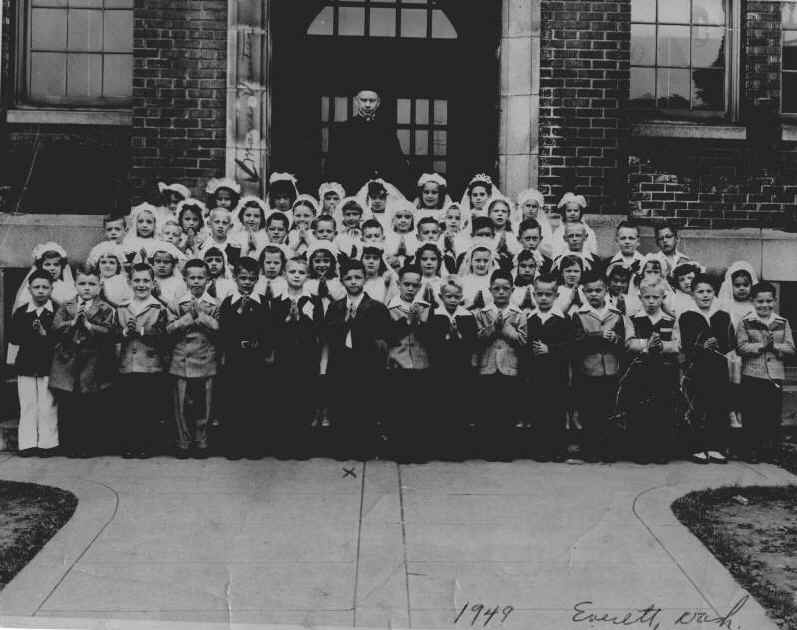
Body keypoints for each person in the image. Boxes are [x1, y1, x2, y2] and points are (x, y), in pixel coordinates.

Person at [323, 259, 391, 460]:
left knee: (365, 404)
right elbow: (328, 335)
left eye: (357, 278)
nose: (353, 282)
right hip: (342, 362)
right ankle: (343, 447)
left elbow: (384, 336)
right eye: (348, 278)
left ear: (365, 279)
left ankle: (364, 447)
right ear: (342, 281)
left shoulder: (376, 307)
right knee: (342, 404)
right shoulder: (336, 307)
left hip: (366, 363)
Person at [49, 264, 117, 458]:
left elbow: (110, 332)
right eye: (82, 283)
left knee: (90, 406)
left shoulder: (105, 308)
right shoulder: (66, 306)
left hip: (92, 361)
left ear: (99, 285)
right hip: (67, 361)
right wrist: (71, 324)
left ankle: (89, 445)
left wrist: (89, 325)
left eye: (92, 284)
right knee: (69, 405)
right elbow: (55, 328)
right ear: (76, 285)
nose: (87, 288)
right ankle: (70, 444)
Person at [571, 270, 630, 463]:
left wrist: (616, 339)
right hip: (588, 371)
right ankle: (590, 450)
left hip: (611, 370)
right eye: (589, 291)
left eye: (598, 290)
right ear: (583, 292)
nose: (594, 294)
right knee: (589, 412)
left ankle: (608, 450)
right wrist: (597, 336)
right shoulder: (579, 315)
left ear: (605, 290)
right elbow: (575, 342)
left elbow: (624, 344)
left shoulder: (616, 314)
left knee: (608, 411)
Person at [217, 257, 271, 460]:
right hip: (234, 357)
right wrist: (239, 311)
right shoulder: (229, 303)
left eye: (251, 279)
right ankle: (234, 445)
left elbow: (268, 330)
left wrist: (266, 352)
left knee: (255, 401)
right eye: (243, 278)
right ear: (235, 278)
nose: (247, 283)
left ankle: (254, 445)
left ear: (257, 279)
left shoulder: (263, 302)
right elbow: (224, 331)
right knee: (234, 401)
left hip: (255, 358)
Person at [116, 262, 172, 459]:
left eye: (146, 281)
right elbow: (113, 333)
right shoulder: (122, 307)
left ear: (153, 283)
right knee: (128, 407)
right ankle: (130, 444)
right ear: (130, 282)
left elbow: (163, 333)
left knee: (148, 407)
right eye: (137, 280)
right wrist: (124, 331)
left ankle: (147, 445)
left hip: (150, 366)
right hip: (127, 364)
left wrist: (140, 330)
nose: (141, 285)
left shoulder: (159, 307)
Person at [623, 278, 681, 464]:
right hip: (640, 371)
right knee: (640, 410)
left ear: (663, 297)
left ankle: (661, 450)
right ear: (640, 297)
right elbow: (629, 342)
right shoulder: (632, 319)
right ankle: (641, 450)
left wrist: (662, 346)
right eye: (647, 297)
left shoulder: (670, 320)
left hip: (664, 371)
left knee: (662, 409)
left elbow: (677, 345)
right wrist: (645, 345)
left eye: (655, 297)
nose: (651, 301)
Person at [678, 274, 734, 464]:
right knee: (697, 406)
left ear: (715, 293)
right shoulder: (687, 316)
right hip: (697, 369)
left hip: (718, 368)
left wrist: (718, 343)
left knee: (717, 405)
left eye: (709, 291)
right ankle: (697, 447)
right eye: (700, 291)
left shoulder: (722, 316)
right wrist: (702, 346)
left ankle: (715, 446)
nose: (705, 295)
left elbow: (729, 342)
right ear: (692, 293)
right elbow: (686, 344)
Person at [736, 282, 795, 463]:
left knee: (771, 413)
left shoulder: (782, 322)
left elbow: (791, 348)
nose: (764, 305)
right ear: (753, 301)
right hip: (752, 373)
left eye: (769, 301)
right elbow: (741, 346)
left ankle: (769, 451)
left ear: (775, 301)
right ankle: (751, 450)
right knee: (753, 413)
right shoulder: (746, 321)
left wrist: (775, 346)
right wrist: (761, 346)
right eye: (760, 301)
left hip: (775, 375)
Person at [167, 259, 220, 459]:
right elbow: (168, 329)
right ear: (185, 279)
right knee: (181, 404)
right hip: (182, 359)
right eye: (192, 277)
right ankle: (183, 441)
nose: (197, 281)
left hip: (206, 358)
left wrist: (204, 318)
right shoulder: (177, 302)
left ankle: (202, 441)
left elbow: (220, 330)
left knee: (204, 403)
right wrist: (185, 320)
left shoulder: (215, 303)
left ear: (208, 279)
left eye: (201, 277)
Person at [270, 257, 322, 458]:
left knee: (304, 400)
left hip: (306, 357)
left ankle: (302, 445)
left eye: (301, 272)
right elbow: (271, 332)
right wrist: (287, 320)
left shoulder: (313, 300)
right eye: (292, 272)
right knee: (284, 400)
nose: (297, 276)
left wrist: (301, 321)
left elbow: (318, 329)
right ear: (284, 274)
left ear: (307, 276)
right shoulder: (277, 301)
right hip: (284, 357)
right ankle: (284, 445)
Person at [473, 269, 526, 459]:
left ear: (512, 290)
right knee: (489, 409)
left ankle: (506, 449)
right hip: (487, 366)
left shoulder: (519, 314)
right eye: (497, 289)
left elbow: (522, 341)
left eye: (505, 289)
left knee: (507, 409)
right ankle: (489, 449)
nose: (501, 292)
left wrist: (505, 327)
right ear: (490, 290)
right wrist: (493, 327)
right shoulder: (483, 313)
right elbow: (478, 339)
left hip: (509, 367)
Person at [7, 271, 59, 457]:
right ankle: (27, 443)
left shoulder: (57, 311)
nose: (40, 291)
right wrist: (31, 333)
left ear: (52, 289)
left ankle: (48, 444)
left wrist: (46, 335)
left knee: (47, 405)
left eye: (45, 287)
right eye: (36, 287)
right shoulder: (22, 312)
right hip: (26, 364)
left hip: (48, 365)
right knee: (28, 404)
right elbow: (13, 337)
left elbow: (60, 338)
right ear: (29, 289)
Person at [385, 263, 432, 462]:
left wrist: (419, 322)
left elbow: (430, 338)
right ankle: (400, 449)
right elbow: (389, 337)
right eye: (407, 284)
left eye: (415, 285)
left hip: (421, 363)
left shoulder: (426, 308)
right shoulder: (390, 307)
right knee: (399, 408)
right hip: (398, 363)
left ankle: (418, 449)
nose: (411, 289)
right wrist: (407, 321)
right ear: (398, 284)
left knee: (418, 409)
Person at [523, 274, 571, 461]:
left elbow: (570, 346)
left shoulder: (563, 319)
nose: (543, 298)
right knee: (538, 410)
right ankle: (540, 449)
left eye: (548, 294)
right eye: (539, 294)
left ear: (556, 296)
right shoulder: (530, 319)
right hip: (536, 374)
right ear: (534, 295)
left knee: (556, 411)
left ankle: (558, 449)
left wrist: (550, 349)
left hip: (556, 374)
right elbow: (525, 346)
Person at [326, 88, 410, 195]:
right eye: (364, 100)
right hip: (351, 189)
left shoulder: (386, 131)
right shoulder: (343, 130)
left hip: (379, 192)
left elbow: (398, 164)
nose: (367, 105)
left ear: (378, 103)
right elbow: (333, 165)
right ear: (356, 102)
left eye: (372, 101)